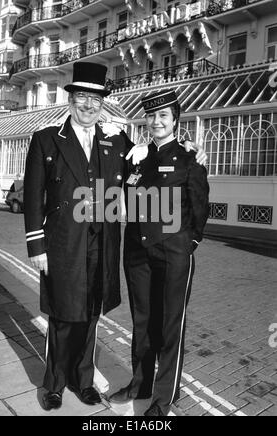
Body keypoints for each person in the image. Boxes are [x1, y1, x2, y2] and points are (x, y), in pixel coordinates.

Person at [24, 62, 207, 412]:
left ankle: (83, 378)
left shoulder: (115, 141)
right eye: (81, 98)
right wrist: (37, 245)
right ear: (71, 100)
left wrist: (190, 149)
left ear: (102, 103)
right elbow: (34, 197)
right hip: (64, 243)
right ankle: (54, 384)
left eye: (95, 99)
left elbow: (150, 164)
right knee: (63, 314)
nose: (88, 106)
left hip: (103, 243)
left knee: (91, 312)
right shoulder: (46, 139)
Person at [109, 90, 210, 416]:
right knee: (142, 322)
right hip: (138, 252)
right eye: (152, 116)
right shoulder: (137, 156)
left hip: (173, 253)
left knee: (169, 326)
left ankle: (164, 398)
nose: (156, 122)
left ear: (175, 120)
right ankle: (140, 383)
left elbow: (199, 207)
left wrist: (188, 244)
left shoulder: (188, 157)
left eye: (163, 115)